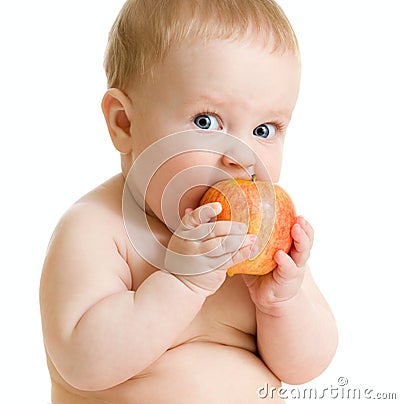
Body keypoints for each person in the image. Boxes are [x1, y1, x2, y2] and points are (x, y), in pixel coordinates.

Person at [39, 0, 338, 402]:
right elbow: (81, 362)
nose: (242, 155)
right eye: (206, 122)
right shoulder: (98, 228)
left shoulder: (257, 244)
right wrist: (181, 282)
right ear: (124, 123)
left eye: (265, 129)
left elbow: (306, 367)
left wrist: (282, 302)